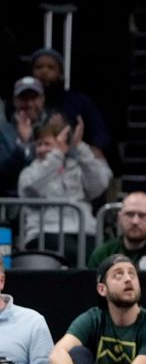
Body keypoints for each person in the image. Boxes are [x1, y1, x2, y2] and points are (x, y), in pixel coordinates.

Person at [18, 113, 112, 266]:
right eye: (39, 144)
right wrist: (56, 155)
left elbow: (99, 185)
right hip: (45, 233)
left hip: (85, 231)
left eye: (47, 144)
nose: (42, 149)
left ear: (64, 145)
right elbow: (30, 188)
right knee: (78, 255)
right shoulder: (30, 172)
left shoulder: (75, 168)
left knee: (105, 256)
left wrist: (79, 146)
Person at [88, 191, 146, 271]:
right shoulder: (104, 253)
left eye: (142, 215)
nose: (135, 221)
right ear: (119, 218)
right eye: (129, 214)